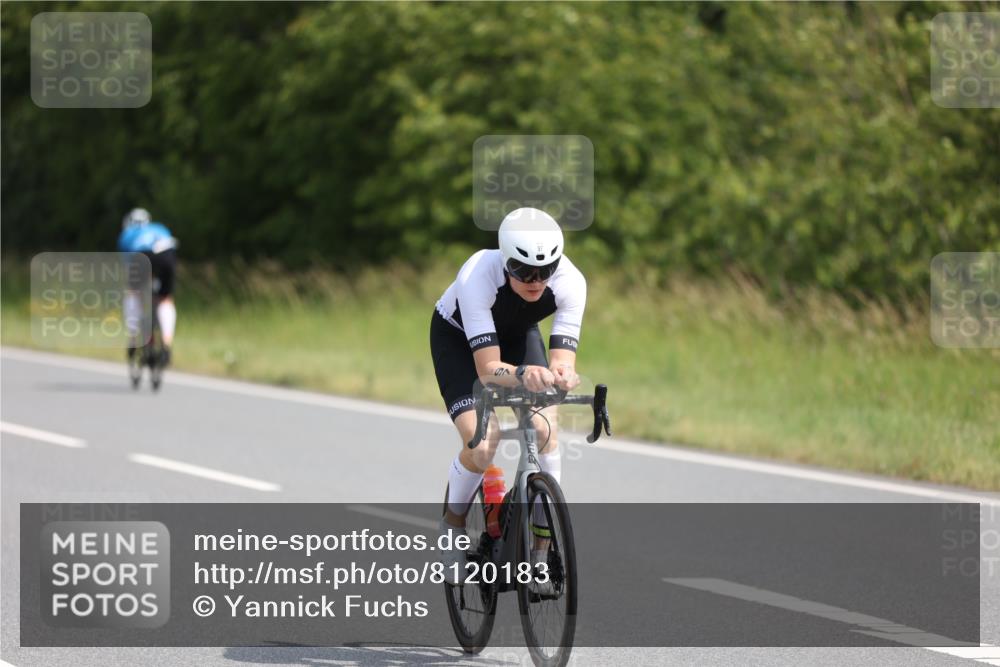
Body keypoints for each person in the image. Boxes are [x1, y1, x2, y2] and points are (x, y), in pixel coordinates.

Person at [431, 207, 586, 586]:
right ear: (505, 262)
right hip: (458, 340)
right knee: (484, 442)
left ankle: (540, 553)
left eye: (545, 270)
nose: (536, 281)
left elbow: (562, 360)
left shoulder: (571, 282)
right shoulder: (477, 276)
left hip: (518, 336)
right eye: (523, 270)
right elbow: (487, 369)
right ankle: (452, 528)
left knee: (545, 431)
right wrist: (521, 374)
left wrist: (563, 374)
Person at [117, 208, 178, 365]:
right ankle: (166, 344)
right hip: (166, 254)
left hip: (141, 256)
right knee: (165, 299)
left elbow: (128, 265)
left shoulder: (127, 234)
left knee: (133, 293)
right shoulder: (160, 227)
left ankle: (133, 339)